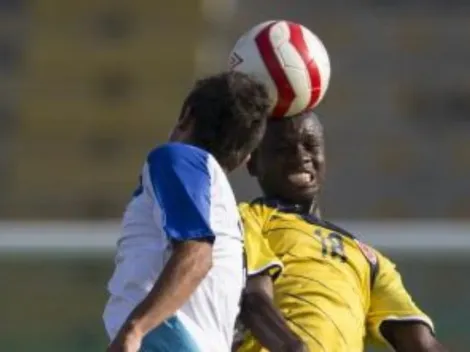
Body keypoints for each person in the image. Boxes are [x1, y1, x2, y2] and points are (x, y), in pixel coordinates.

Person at [237, 110, 448, 351]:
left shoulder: (369, 260)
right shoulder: (249, 219)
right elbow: (253, 300)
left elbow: (420, 343)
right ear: (253, 163)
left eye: (310, 145)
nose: (300, 157)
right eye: (282, 149)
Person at [103, 71, 272, 352]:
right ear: (245, 158)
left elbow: (197, 253)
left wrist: (136, 328)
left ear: (186, 116)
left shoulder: (177, 157)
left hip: (167, 339)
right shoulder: (226, 211)